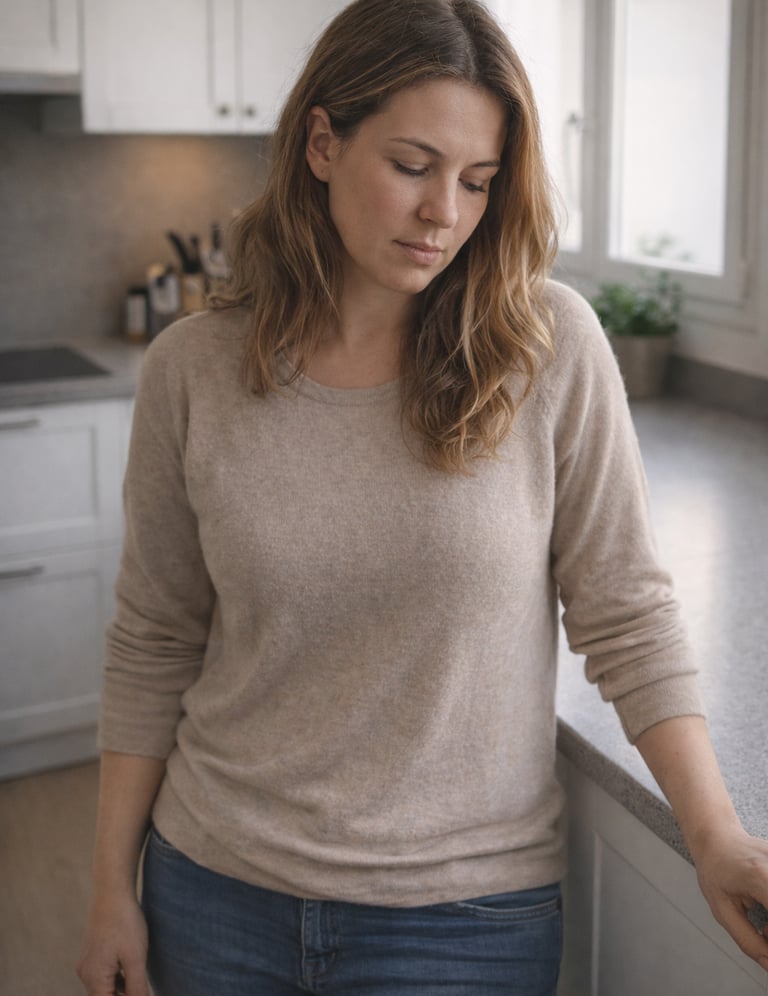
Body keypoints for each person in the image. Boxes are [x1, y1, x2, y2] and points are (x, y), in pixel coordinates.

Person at [77, 1, 768, 993]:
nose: (445, 209)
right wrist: (111, 889)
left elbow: (627, 614)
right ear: (323, 141)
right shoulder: (193, 370)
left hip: (463, 922)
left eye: (478, 181)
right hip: (215, 891)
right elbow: (154, 639)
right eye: (413, 166)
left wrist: (714, 836)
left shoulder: (549, 348)